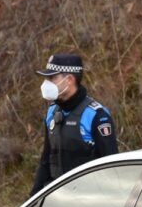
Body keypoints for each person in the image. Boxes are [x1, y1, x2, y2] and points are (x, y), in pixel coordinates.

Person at [30, 52, 118, 196]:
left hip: (88, 202)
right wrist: (33, 198)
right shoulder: (52, 112)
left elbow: (111, 167)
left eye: (52, 78)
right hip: (58, 199)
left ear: (69, 79)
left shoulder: (96, 115)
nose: (46, 83)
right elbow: (46, 159)